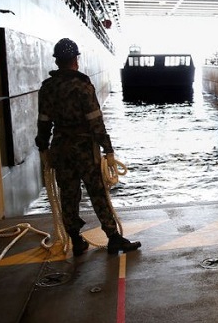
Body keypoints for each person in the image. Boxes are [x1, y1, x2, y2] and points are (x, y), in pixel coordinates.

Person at [35, 38, 141, 256]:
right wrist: (108, 150)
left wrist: (43, 148)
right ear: (75, 60)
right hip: (84, 149)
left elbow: (43, 121)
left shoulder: (47, 88)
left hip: (60, 148)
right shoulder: (82, 86)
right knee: (98, 192)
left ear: (58, 61)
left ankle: (76, 240)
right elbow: (95, 122)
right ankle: (113, 237)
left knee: (68, 194)